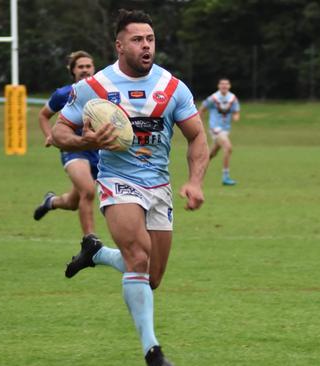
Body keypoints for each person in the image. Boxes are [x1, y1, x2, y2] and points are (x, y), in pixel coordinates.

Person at [51, 10, 209, 366]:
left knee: (151, 278)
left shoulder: (172, 87)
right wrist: (85, 140)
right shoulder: (94, 87)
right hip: (117, 181)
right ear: (120, 45)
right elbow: (58, 132)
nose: (146, 46)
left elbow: (198, 137)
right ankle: (153, 352)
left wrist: (195, 181)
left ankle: (97, 253)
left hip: (159, 186)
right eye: (138, 40)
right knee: (138, 257)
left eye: (150, 39)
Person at [33, 51, 101, 242]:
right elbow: (43, 115)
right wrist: (50, 135)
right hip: (72, 150)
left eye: (88, 66)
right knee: (87, 191)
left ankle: (51, 202)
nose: (85, 70)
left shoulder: (104, 91)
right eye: (80, 67)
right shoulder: (64, 94)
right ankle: (91, 242)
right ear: (73, 71)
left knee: (73, 202)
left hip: (98, 151)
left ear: (94, 68)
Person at [198, 78, 240, 185]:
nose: (224, 86)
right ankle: (225, 177)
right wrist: (199, 124)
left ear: (229, 86)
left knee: (211, 154)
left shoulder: (232, 98)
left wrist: (236, 116)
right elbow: (202, 109)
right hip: (215, 128)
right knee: (228, 148)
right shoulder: (213, 98)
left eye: (226, 84)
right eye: (222, 84)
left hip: (226, 129)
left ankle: (198, 173)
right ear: (218, 86)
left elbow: (236, 111)